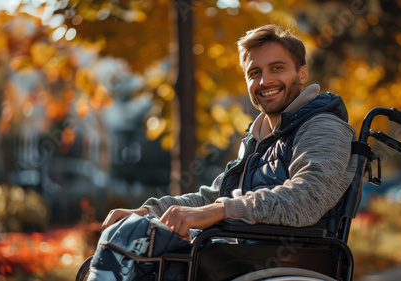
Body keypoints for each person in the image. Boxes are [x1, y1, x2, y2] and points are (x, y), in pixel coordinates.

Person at [88, 24, 357, 280]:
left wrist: (221, 210)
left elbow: (307, 197)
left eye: (277, 68)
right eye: (254, 73)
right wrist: (149, 211)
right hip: (241, 256)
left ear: (302, 74)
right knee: (131, 238)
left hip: (289, 260)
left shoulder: (323, 127)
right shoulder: (258, 140)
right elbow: (215, 196)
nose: (265, 80)